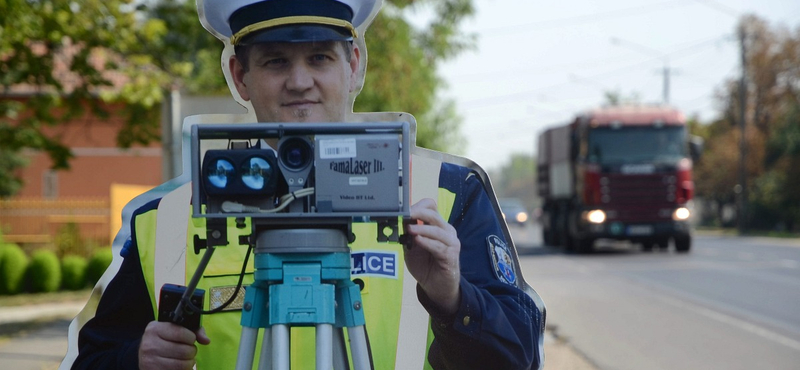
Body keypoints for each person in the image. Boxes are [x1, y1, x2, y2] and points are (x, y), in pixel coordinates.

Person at [61, 0, 543, 369]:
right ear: (240, 75)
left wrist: (453, 298)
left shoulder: (447, 194)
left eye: (318, 57)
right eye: (274, 61)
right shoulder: (165, 219)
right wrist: (133, 357)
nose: (299, 81)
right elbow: (92, 358)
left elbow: (519, 356)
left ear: (352, 65)